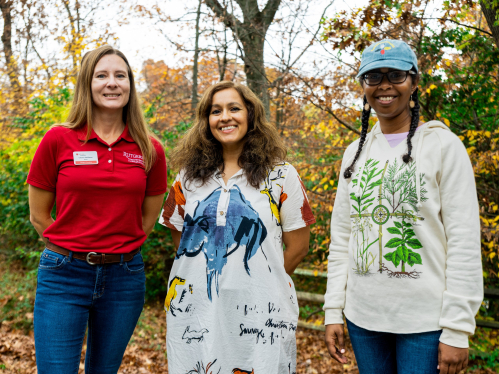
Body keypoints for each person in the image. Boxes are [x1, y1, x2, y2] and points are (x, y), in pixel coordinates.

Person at [323, 39, 483, 374]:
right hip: (363, 319)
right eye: (373, 76)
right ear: (363, 87)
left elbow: (464, 241)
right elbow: (342, 239)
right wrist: (333, 309)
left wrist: (457, 327)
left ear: (414, 82)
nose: (384, 85)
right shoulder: (355, 153)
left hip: (424, 322)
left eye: (395, 75)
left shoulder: (443, 146)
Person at [28, 45, 167, 374]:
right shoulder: (58, 139)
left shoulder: (150, 148)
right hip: (64, 275)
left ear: (131, 86)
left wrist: (118, 249)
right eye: (101, 75)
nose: (112, 83)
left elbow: (147, 220)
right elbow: (39, 215)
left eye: (120, 75)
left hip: (124, 279)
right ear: (86, 84)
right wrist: (68, 248)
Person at [159, 81, 315, 373]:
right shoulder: (187, 178)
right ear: (207, 121)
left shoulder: (280, 175)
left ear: (251, 115)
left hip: (259, 312)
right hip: (197, 311)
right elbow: (180, 240)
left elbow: (299, 246)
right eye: (216, 111)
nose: (225, 117)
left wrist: (258, 283)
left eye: (234, 108)